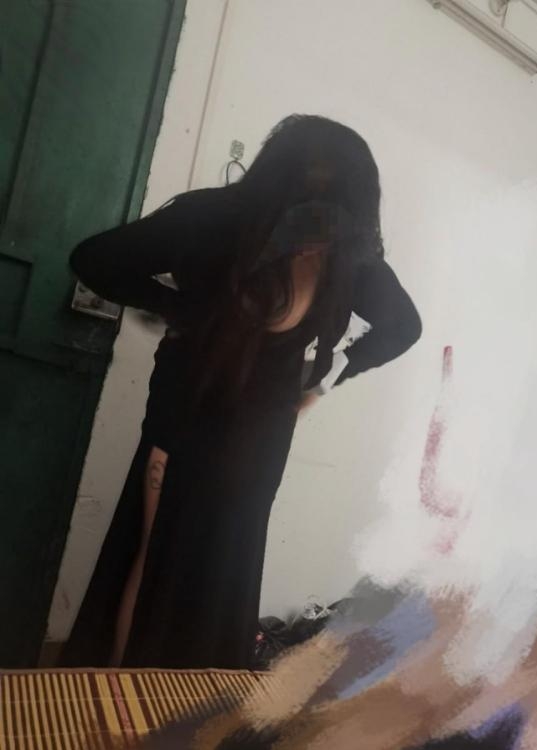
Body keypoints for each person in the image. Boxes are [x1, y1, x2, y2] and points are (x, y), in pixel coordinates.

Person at [59, 114, 422, 669]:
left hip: (254, 438)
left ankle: (176, 698)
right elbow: (94, 260)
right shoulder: (216, 221)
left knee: (214, 567)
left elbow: (403, 327)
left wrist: (323, 380)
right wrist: (177, 307)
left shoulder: (346, 254)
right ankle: (128, 697)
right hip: (187, 422)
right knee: (157, 561)